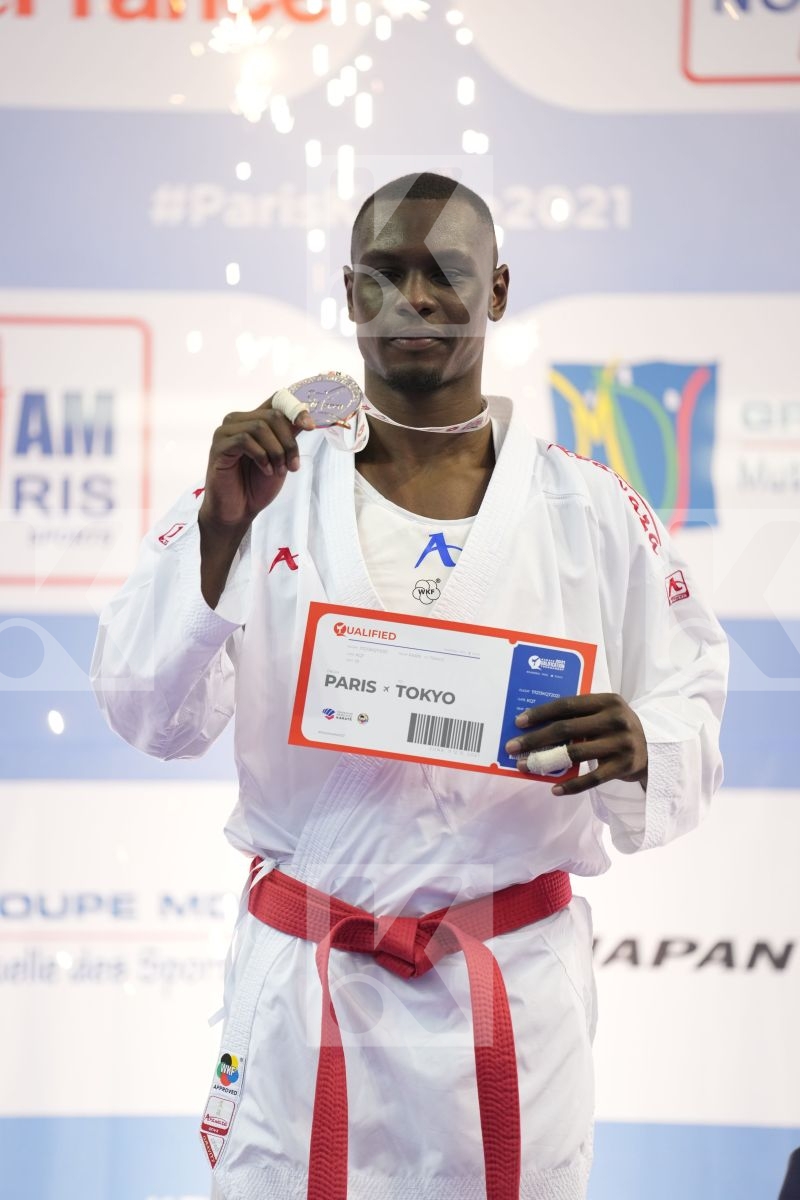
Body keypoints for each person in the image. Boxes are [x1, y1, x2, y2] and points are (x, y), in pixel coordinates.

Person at [91, 172, 728, 1200]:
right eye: (384, 275)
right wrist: (216, 535)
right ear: (348, 296)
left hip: (508, 990)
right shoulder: (262, 494)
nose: (415, 299)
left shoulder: (592, 509)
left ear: (499, 291)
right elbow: (145, 712)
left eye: (446, 273)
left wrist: (645, 742)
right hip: (307, 989)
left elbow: (692, 700)